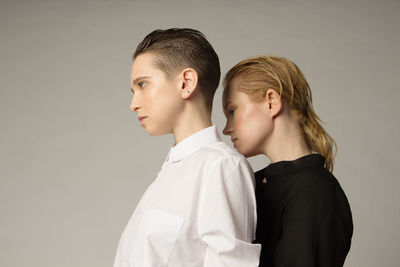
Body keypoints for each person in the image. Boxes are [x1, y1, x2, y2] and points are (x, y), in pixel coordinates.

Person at [113, 28, 261, 267]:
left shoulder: (221, 167)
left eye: (143, 84)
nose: (133, 104)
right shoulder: (171, 171)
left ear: (186, 83)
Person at [222, 55, 353, 267]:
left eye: (232, 111)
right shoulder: (251, 183)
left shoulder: (316, 190)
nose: (226, 128)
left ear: (271, 102)